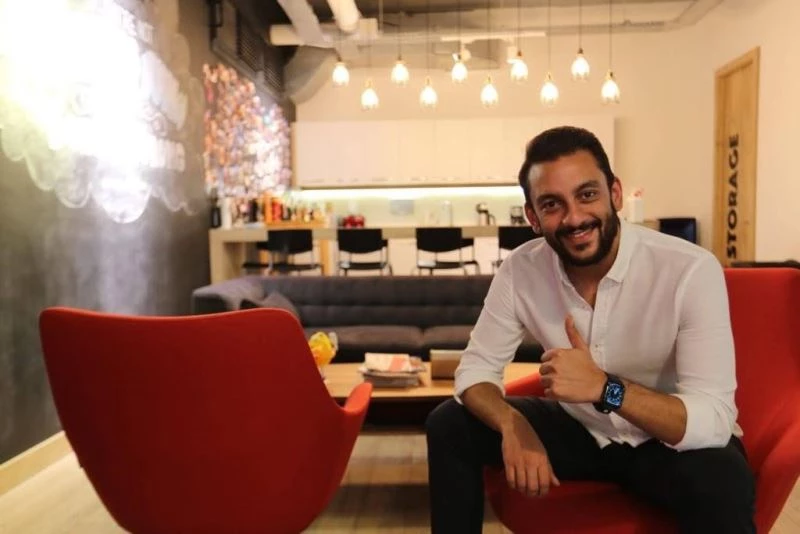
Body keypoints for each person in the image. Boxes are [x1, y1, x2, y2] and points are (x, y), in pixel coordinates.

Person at [425, 126, 755, 534]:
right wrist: (512, 423)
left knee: (723, 479)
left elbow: (714, 419)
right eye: (552, 204)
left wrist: (605, 388)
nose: (574, 218)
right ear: (532, 217)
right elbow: (475, 371)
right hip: (583, 432)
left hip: (666, 441)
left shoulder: (689, 269)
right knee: (449, 424)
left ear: (615, 193)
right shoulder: (521, 271)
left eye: (587, 194)